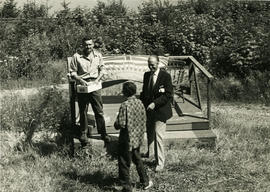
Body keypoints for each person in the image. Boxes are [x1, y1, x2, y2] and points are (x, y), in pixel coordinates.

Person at [69, 37, 110, 147]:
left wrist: (98, 80)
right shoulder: (77, 56)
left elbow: (102, 69)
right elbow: (72, 72)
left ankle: (103, 133)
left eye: (90, 44)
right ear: (82, 45)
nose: (88, 47)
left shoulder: (98, 55)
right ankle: (83, 133)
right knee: (83, 111)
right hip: (82, 85)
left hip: (95, 85)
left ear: (93, 45)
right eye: (86, 45)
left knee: (99, 110)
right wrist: (80, 80)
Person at [114, 81, 153, 192]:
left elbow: (121, 124)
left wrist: (116, 121)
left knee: (124, 162)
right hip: (137, 137)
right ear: (135, 91)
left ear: (124, 92)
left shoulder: (124, 105)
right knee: (137, 159)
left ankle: (126, 187)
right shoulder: (140, 103)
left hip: (127, 139)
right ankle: (145, 181)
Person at [140, 55, 173, 172]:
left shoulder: (165, 76)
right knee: (149, 133)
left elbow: (168, 95)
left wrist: (155, 103)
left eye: (153, 64)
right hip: (149, 111)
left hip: (160, 111)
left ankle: (160, 163)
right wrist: (140, 104)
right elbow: (144, 93)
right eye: (149, 64)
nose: (151, 66)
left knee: (158, 137)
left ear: (158, 63)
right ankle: (150, 153)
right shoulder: (146, 75)